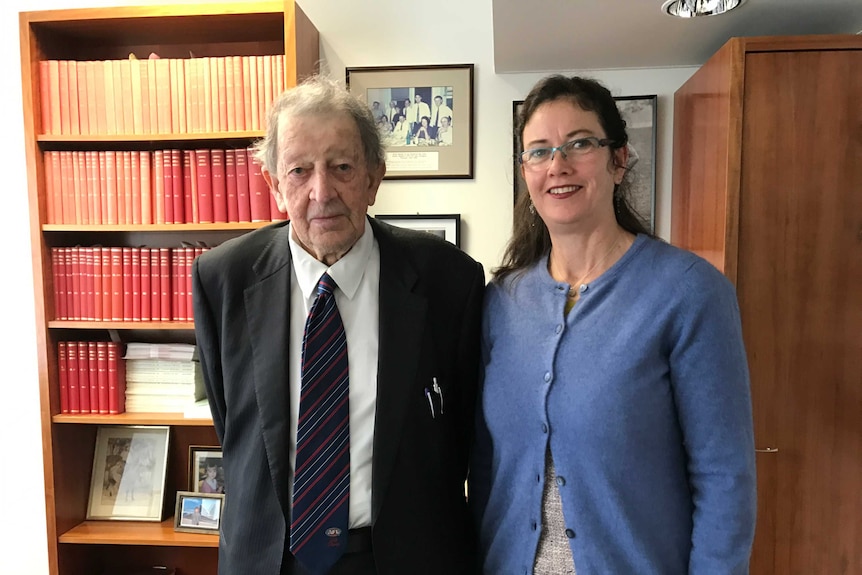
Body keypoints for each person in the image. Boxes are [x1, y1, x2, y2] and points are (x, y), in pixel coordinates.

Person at [193, 75, 484, 575]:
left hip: (404, 557)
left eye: (342, 167)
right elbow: (234, 423)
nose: (320, 191)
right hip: (268, 558)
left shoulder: (449, 279)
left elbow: (462, 437)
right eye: (299, 170)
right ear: (274, 185)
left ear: (375, 176)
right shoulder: (223, 277)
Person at [470, 74, 757, 574]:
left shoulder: (689, 292)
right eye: (538, 151)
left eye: (579, 143)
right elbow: (484, 467)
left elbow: (724, 478)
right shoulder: (501, 303)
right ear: (524, 172)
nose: (557, 164)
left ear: (618, 160)